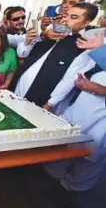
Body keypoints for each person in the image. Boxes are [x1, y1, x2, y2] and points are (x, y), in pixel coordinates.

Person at [44, 37, 105, 192]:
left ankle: (74, 188)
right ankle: (52, 174)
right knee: (64, 140)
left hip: (101, 116)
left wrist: (100, 89)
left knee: (92, 154)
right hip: (82, 103)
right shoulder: (98, 38)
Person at [12, 2, 99, 110]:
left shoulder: (82, 46)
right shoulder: (47, 31)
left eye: (74, 17)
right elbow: (22, 53)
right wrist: (41, 36)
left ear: (85, 23)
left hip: (39, 98)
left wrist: (50, 103)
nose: (66, 19)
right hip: (17, 87)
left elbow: (69, 80)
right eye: (66, 15)